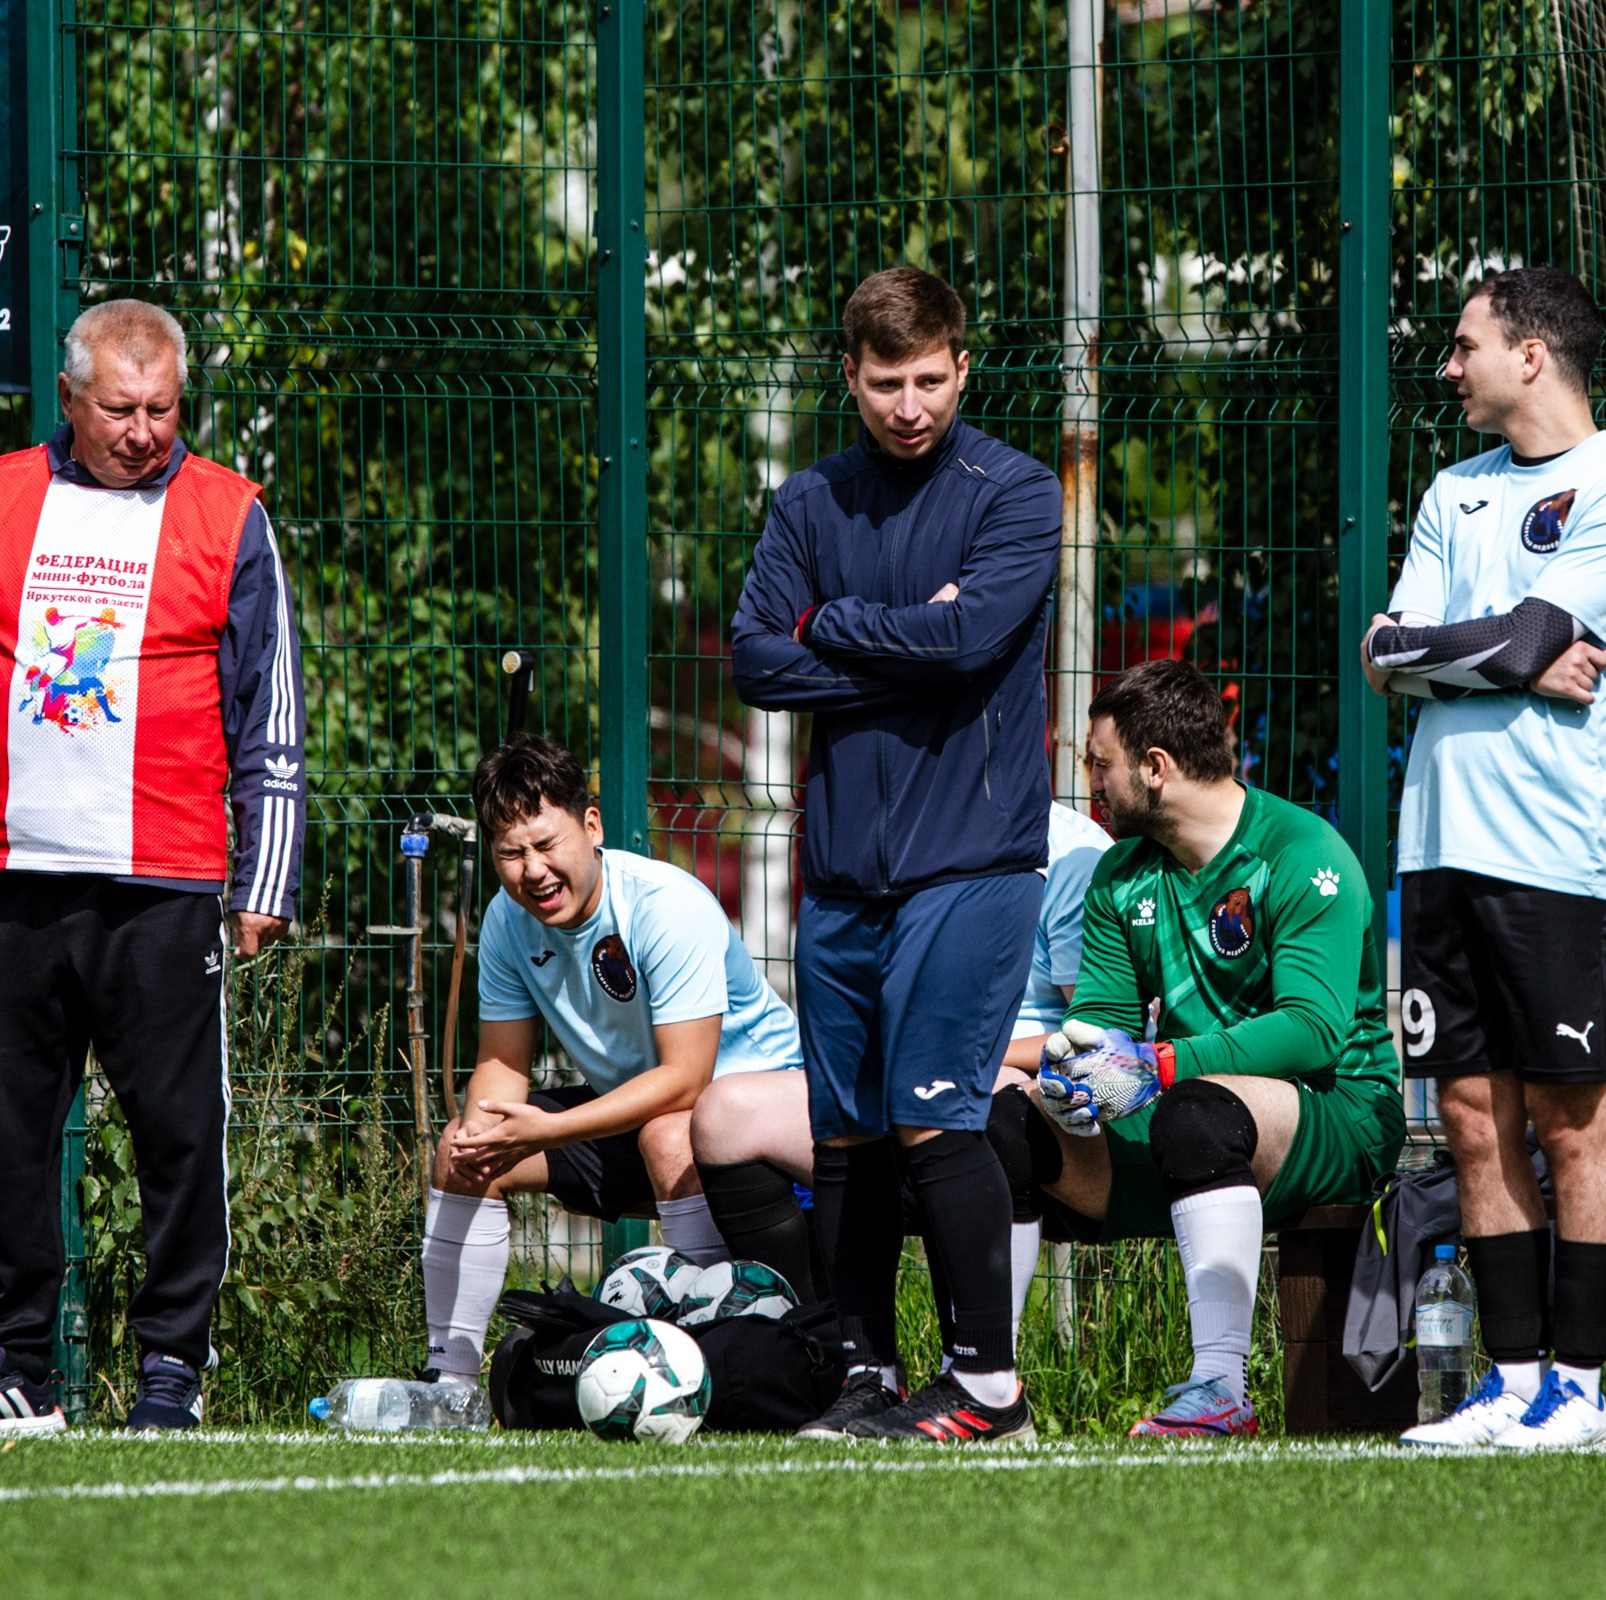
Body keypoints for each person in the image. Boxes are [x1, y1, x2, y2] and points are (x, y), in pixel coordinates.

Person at [0, 298, 305, 1434]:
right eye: (119, 408)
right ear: (70, 399)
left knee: (181, 1134)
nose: (142, 430)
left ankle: (172, 1366)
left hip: (167, 881)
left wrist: (261, 879)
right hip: (10, 877)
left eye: (163, 408)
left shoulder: (229, 512)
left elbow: (271, 709)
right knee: (5, 1131)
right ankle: (14, 1365)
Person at [731, 265, 1062, 1443]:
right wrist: (899, 637)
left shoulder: (1015, 492)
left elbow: (973, 636)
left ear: (963, 366)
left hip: (972, 861)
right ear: (850, 377)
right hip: (844, 876)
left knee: (935, 1113)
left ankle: (988, 1388)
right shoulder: (809, 503)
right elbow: (758, 663)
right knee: (848, 1133)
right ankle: (866, 1374)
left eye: (930, 378)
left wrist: (832, 624)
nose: (910, 405)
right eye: (886, 383)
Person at [1363, 267, 1606, 1450]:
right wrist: (1495, 654)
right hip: (1439, 849)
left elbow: (1522, 635)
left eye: (1464, 345)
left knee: (1570, 1119)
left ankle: (1580, 1393)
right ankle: (1511, 1381)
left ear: (1532, 355)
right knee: (1468, 1117)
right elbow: (1384, 651)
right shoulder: (1456, 488)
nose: (1449, 366)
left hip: (1561, 857)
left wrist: (1474, 648)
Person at [1007, 661, 1403, 1437]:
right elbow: (1102, 1021)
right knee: (1005, 1122)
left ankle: (1220, 1387)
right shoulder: (1121, 874)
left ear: (1155, 768)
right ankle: (990, 1386)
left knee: (1193, 1114)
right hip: (1187, 1118)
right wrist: (1076, 1080)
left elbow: (1313, 1030)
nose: (1090, 781)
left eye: (1099, 762)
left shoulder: (1300, 851)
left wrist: (1156, 1067)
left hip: (1336, 1112)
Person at [423, 737, 805, 1385]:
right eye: (511, 854)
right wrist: (481, 1131)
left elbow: (686, 1079)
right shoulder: (506, 922)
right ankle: (449, 1384)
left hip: (756, 1133)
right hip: (638, 1116)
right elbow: (502, 1064)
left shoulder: (664, 906)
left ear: (591, 825)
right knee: (463, 1145)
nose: (532, 871)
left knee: (667, 1131)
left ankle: (699, 1362)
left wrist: (546, 1129)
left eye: (547, 845)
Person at [689, 798, 1109, 1327]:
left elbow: (1094, 1035)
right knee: (726, 1113)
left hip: (1007, 1089)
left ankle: (981, 1371)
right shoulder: (891, 833)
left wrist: (956, 1055)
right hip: (895, 1079)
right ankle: (814, 1354)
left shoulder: (1073, 852)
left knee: (976, 1096)